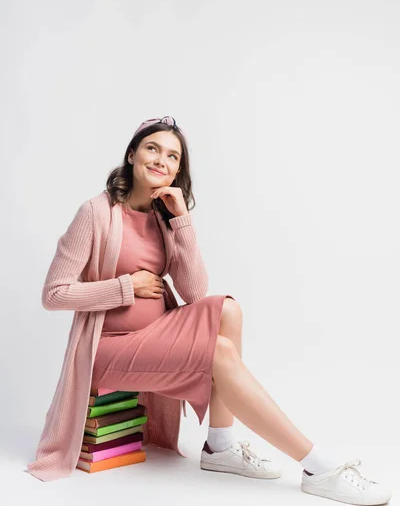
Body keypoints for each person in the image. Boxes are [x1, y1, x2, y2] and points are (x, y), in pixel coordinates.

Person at [28, 116, 392, 504]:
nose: (161, 160)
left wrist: (181, 218)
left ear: (178, 170)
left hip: (156, 332)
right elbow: (54, 294)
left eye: (173, 156)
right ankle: (318, 467)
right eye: (152, 148)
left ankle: (220, 447)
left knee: (227, 310)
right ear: (132, 154)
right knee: (219, 351)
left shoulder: (164, 216)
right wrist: (125, 288)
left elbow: (195, 291)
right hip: (108, 346)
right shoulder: (95, 213)